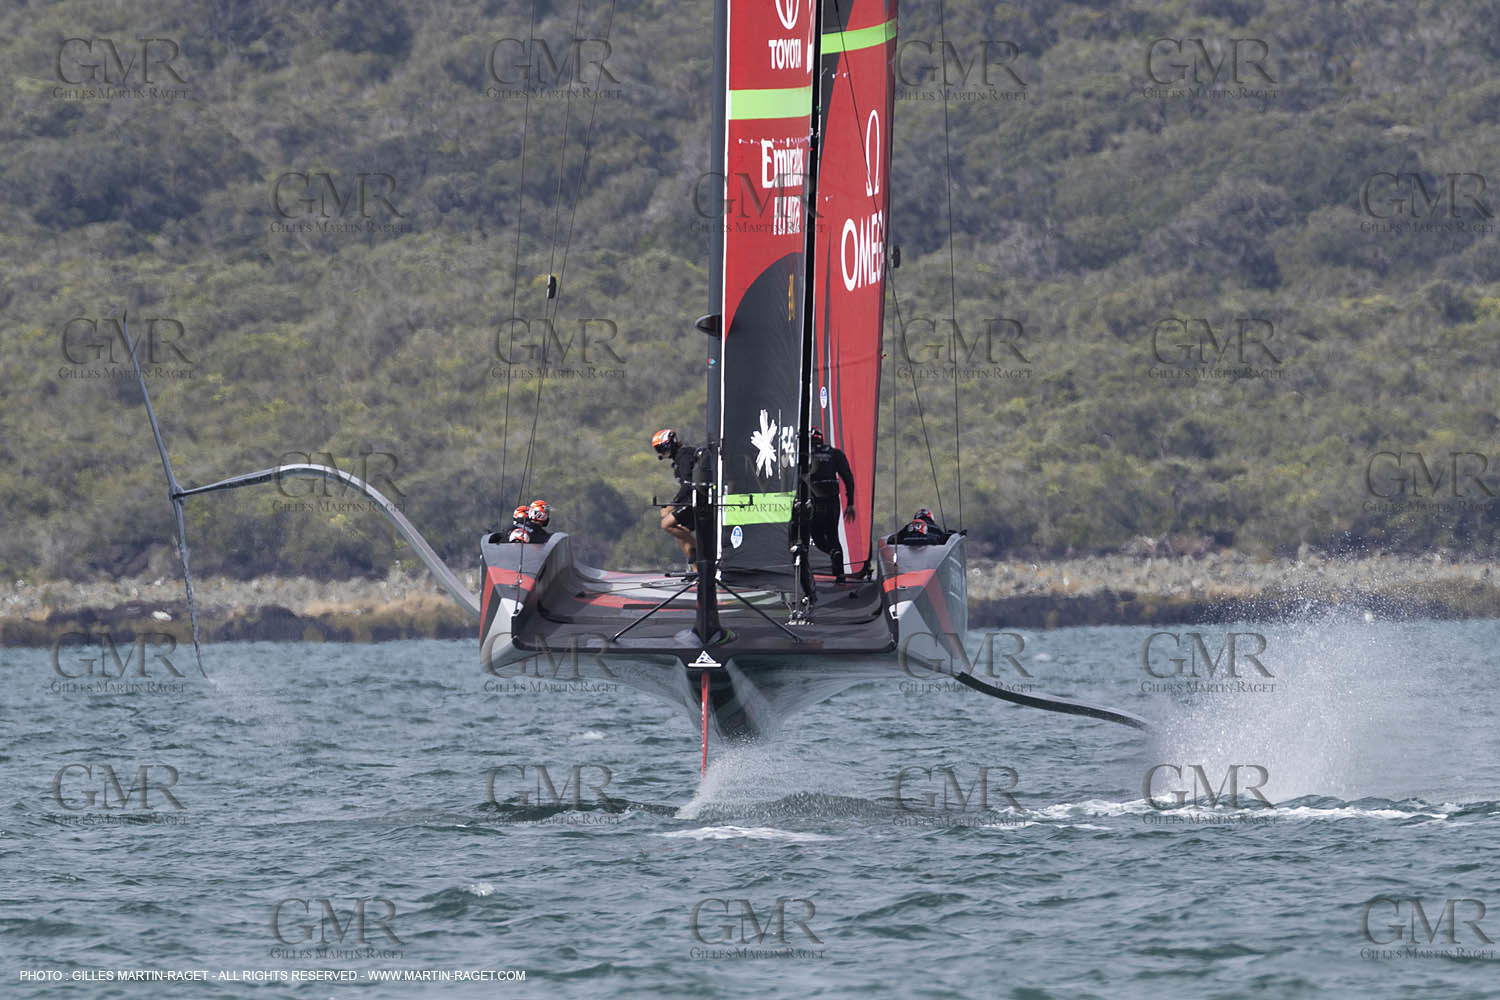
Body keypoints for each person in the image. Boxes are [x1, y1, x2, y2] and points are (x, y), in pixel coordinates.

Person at [801, 427, 855, 584]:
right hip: (832, 500)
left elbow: (799, 479)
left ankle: (831, 553)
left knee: (816, 536)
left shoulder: (806, 454)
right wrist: (850, 503)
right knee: (833, 535)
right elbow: (848, 478)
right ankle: (840, 575)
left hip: (816, 501)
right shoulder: (834, 453)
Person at [652, 429, 700, 573]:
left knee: (666, 524)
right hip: (691, 499)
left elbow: (688, 484)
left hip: (699, 499)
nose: (661, 452)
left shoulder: (683, 455)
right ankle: (696, 570)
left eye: (662, 448)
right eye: (658, 450)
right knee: (680, 531)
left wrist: (672, 506)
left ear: (670, 444)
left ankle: (703, 552)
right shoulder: (677, 460)